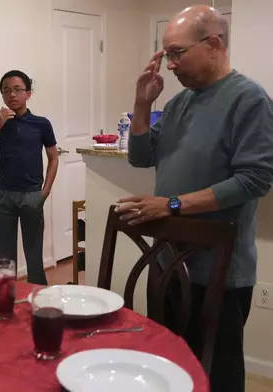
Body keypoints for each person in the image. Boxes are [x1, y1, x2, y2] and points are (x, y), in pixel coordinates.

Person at [115, 6, 273, 392]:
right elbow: (140, 156)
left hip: (218, 270)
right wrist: (141, 104)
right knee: (170, 368)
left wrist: (171, 205)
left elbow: (255, 180)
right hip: (167, 262)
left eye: (177, 52)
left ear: (214, 44)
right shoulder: (178, 103)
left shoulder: (249, 99)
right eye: (167, 54)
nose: (169, 65)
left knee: (216, 374)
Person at [0, 70, 59, 285]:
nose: (12, 95)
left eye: (17, 90)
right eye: (6, 91)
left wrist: (45, 192)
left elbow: (53, 158)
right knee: (3, 260)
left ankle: (39, 304)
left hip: (32, 195)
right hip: (3, 196)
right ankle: (4, 305)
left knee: (34, 258)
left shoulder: (42, 124)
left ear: (28, 93)